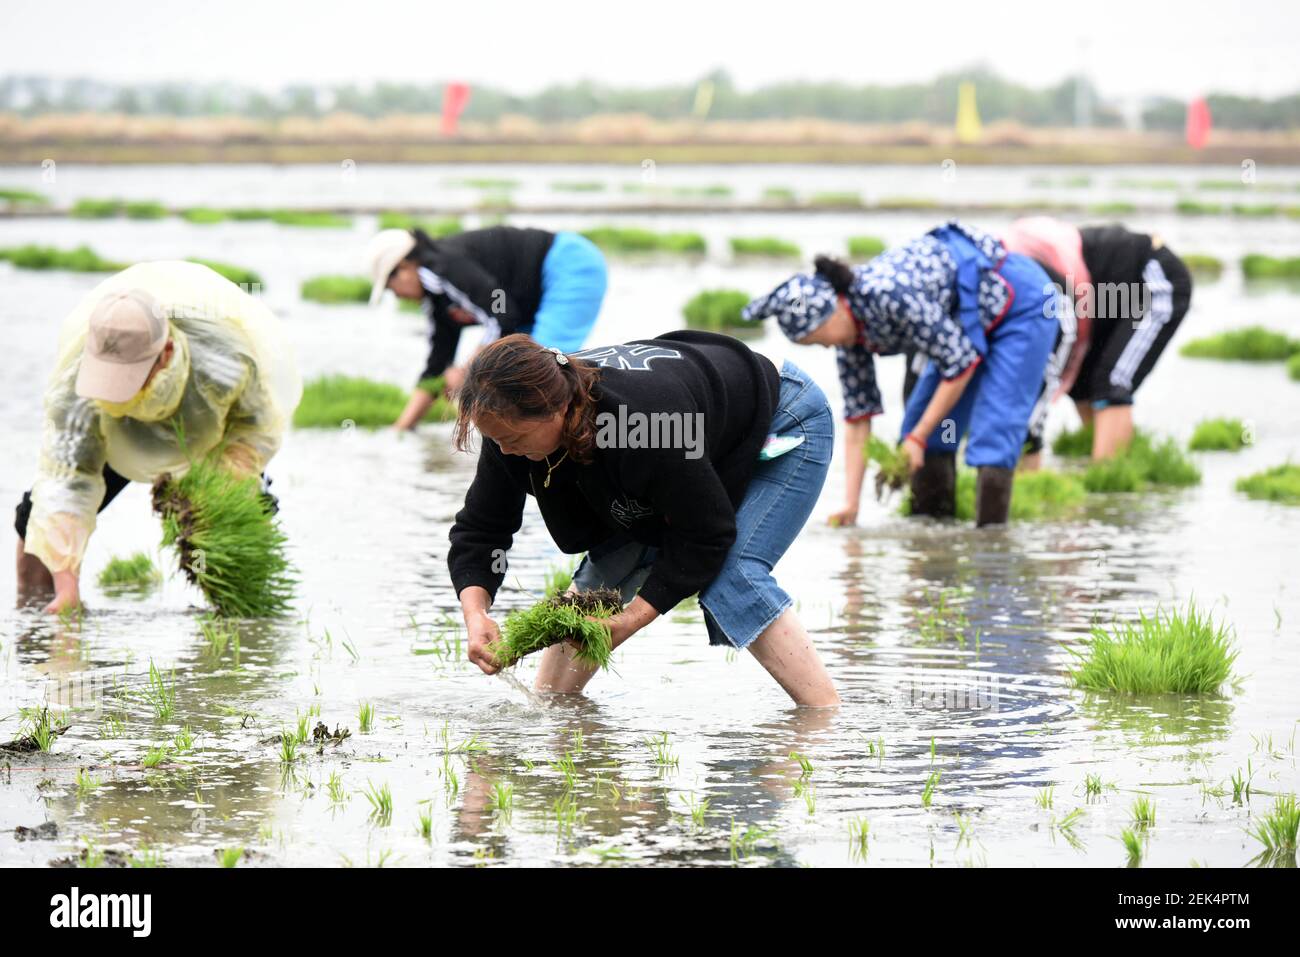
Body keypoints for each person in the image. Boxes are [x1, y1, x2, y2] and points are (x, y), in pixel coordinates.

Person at [446, 332, 840, 707]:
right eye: (494, 439)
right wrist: (476, 613)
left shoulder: (642, 425)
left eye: (512, 439)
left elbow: (705, 533)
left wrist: (631, 620)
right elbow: (482, 528)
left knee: (731, 577)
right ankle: (557, 717)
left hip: (780, 416)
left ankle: (826, 722)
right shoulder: (508, 431)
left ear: (558, 408)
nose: (503, 450)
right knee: (601, 579)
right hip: (694, 435)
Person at [14, 261, 302, 614]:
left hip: (210, 440)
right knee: (34, 522)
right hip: (116, 438)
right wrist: (67, 590)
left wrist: (225, 483)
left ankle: (239, 629)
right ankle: (34, 613)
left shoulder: (226, 360)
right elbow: (66, 481)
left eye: (131, 377)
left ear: (165, 352)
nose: (118, 390)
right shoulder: (77, 384)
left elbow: (256, 427)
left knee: (235, 532)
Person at [743, 220, 1059, 526]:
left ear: (835, 308)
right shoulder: (850, 337)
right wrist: (851, 505)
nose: (826, 348)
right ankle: (936, 544)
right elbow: (858, 420)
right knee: (925, 428)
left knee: (994, 428)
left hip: (1020, 305)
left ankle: (990, 547)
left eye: (818, 339)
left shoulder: (890, 295)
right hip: (964, 323)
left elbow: (960, 365)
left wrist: (916, 439)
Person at [365, 225, 608, 430]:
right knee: (513, 384)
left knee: (542, 370)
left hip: (568, 264)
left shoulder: (444, 267)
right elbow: (437, 365)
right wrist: (402, 429)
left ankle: (586, 436)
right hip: (527, 300)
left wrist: (468, 372)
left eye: (390, 286)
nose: (396, 296)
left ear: (405, 267)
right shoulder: (436, 297)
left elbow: (502, 312)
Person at [1003, 217, 1193, 460]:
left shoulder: (1036, 271)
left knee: (1112, 379)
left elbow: (1061, 342)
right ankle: (1093, 474)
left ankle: (1108, 481)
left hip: (1151, 278)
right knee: (1082, 384)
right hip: (1099, 302)